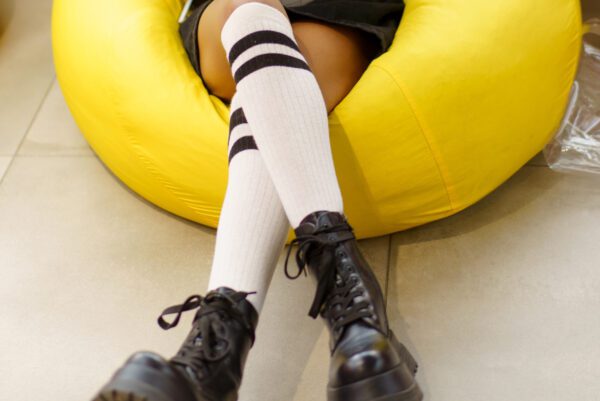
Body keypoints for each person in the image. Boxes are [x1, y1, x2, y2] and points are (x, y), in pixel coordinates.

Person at [92, 0, 422, 400]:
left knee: (281, 83)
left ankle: (215, 355)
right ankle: (358, 315)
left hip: (337, 12)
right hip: (225, 15)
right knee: (247, 10)